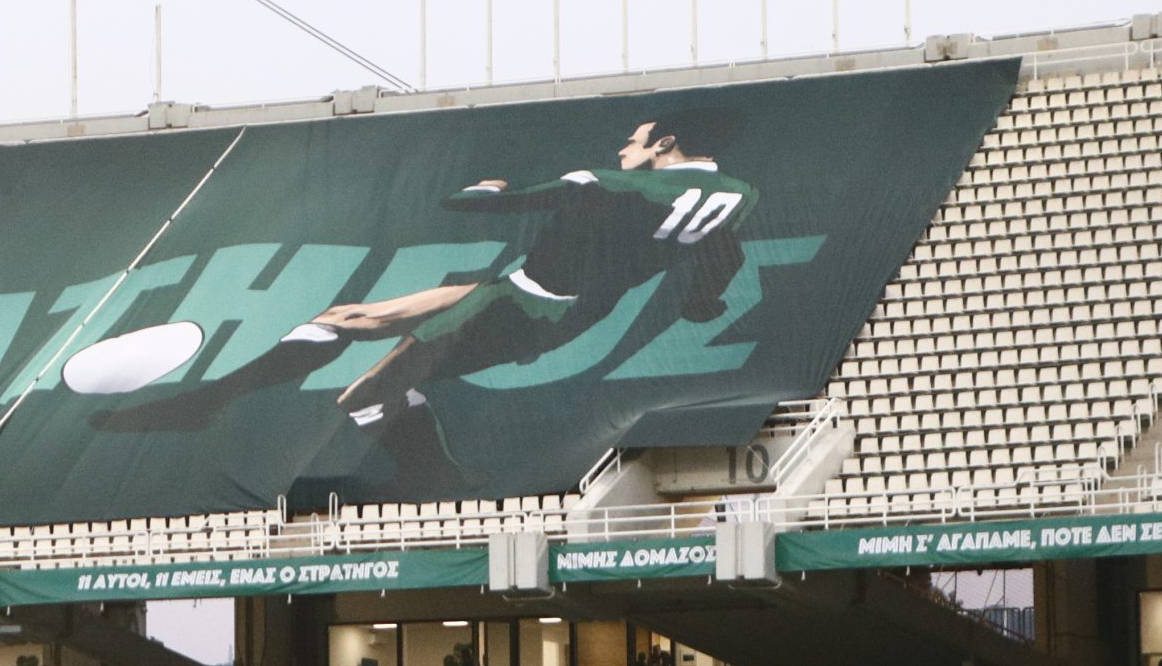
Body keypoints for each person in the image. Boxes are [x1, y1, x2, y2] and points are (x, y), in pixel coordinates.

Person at [87, 110, 755, 483]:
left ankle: (440, 479)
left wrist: (485, 190)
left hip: (519, 308)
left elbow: (479, 204)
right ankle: (205, 403)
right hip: (555, 306)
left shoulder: (606, 183)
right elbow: (725, 257)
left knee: (364, 395)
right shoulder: (735, 196)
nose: (625, 146)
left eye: (635, 139)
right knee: (344, 318)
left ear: (665, 142)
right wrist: (702, 301)